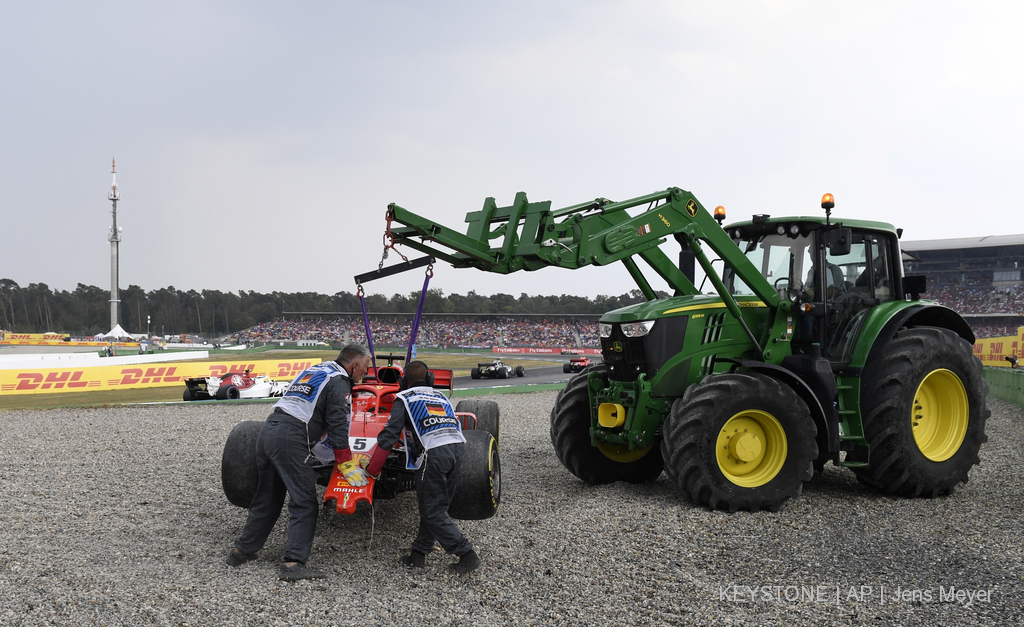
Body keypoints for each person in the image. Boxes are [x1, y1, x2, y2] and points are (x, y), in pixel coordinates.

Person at [226, 342, 372, 582]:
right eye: (364, 369)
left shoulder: (316, 369)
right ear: (354, 365)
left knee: (267, 497)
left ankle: (241, 552)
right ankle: (294, 563)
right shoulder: (340, 381)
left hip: (268, 429)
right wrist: (345, 462)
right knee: (304, 502)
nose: (364, 374)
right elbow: (337, 422)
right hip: (290, 438)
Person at [365, 360, 481, 574]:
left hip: (434, 453)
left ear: (402, 382)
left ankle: (466, 554)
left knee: (431, 512)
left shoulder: (404, 398)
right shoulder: (441, 396)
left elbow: (389, 435)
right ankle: (418, 554)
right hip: (459, 448)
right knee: (437, 508)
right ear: (430, 379)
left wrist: (373, 468)